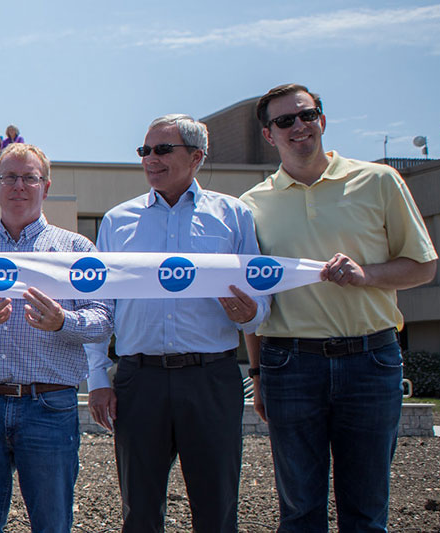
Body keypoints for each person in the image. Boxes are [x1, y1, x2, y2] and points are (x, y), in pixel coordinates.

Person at [239, 83, 437, 531]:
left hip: (372, 360)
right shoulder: (251, 206)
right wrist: (257, 373)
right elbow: (255, 297)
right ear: (269, 135)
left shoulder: (380, 181)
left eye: (307, 115)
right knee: (300, 511)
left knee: (366, 511)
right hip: (289, 365)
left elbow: (423, 267)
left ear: (322, 121)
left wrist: (367, 276)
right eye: (285, 121)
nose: (299, 126)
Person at [85, 115, 266, 532]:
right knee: (141, 511)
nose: (150, 159)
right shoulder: (117, 221)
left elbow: (260, 296)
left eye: (162, 149)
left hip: (211, 378)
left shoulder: (233, 216)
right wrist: (97, 377)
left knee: (217, 508)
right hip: (138, 380)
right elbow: (99, 305)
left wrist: (252, 313)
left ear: (197, 156)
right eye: (144, 150)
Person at [0, 143, 112, 533]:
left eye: (29, 177)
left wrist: (63, 321)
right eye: (9, 177)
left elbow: (101, 321)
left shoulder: (77, 250)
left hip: (49, 406)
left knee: (52, 524)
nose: (19, 186)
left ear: (45, 187)